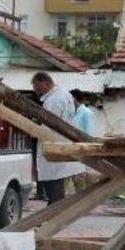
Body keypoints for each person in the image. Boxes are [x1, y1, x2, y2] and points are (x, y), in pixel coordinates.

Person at [31, 72, 84, 205]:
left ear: (46, 83)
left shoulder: (54, 100)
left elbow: (50, 123)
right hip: (61, 144)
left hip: (53, 146)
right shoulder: (64, 95)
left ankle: (54, 214)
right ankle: (54, 213)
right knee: (56, 187)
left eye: (37, 87)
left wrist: (35, 131)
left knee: (53, 187)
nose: (36, 91)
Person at [70, 89, 94, 190]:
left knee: (81, 177)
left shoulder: (86, 112)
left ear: (74, 98)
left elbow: (89, 133)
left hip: (83, 148)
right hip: (74, 148)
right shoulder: (73, 112)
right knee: (76, 179)